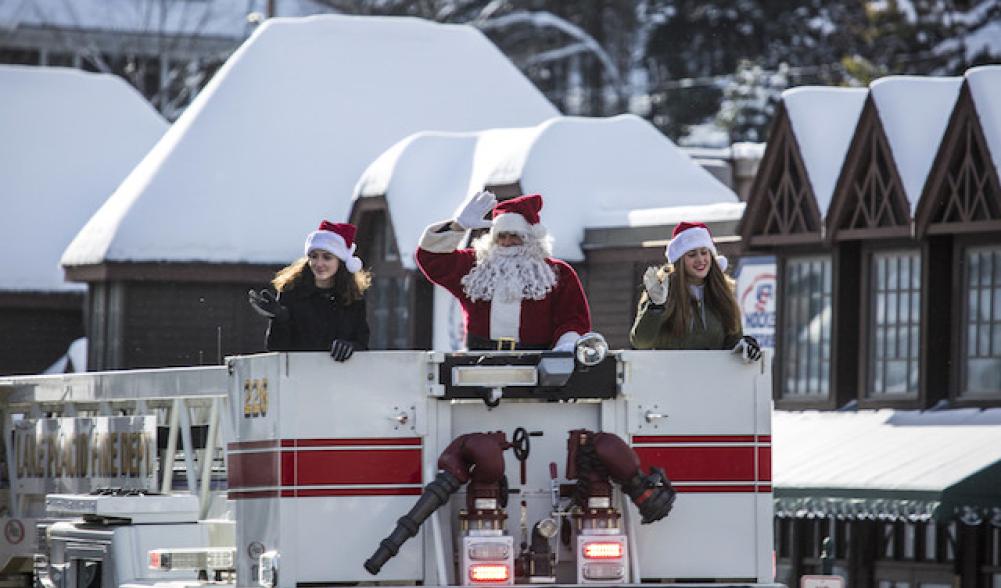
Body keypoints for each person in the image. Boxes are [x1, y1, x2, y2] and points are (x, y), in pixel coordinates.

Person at [416, 191, 590, 351]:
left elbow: (573, 318)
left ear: (531, 239)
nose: (507, 242)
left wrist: (566, 344)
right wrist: (457, 227)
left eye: (514, 236)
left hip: (534, 362)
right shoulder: (474, 267)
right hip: (478, 362)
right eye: (501, 236)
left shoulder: (557, 273)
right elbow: (430, 258)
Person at [630, 221, 761, 362]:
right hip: (667, 377)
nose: (700, 260)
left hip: (711, 379)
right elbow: (641, 342)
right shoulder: (661, 292)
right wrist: (655, 307)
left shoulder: (722, 294)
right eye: (692, 255)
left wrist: (744, 345)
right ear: (679, 260)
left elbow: (731, 341)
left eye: (704, 253)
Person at [248, 221, 371, 361]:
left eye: (327, 257)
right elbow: (276, 348)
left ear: (340, 261)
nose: (319, 264)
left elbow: (363, 346)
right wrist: (280, 319)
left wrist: (351, 347)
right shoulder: (291, 292)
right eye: (314, 256)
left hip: (339, 378)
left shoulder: (354, 299)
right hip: (298, 376)